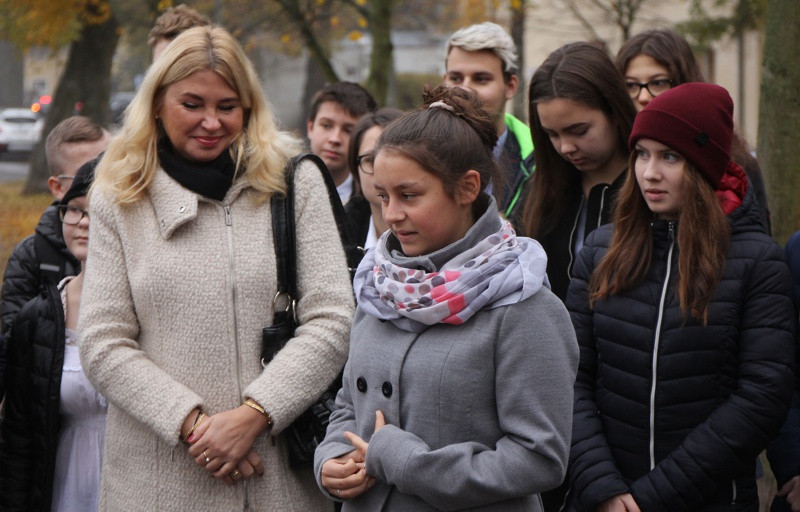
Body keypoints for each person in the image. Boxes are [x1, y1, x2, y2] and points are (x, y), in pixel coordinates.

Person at [78, 26, 354, 511]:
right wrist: (197, 427)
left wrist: (256, 415)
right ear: (158, 103)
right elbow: (103, 341)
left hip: (277, 483)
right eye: (192, 104)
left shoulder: (294, 182)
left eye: (227, 106)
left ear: (248, 108)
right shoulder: (117, 193)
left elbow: (332, 317)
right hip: (157, 483)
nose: (211, 122)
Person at [314, 85, 579, 511]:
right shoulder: (379, 285)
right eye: (383, 196)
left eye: (409, 195)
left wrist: (409, 462)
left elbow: (540, 459)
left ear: (468, 188)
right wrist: (330, 460)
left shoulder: (523, 305)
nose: (392, 214)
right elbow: (351, 401)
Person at [566, 82, 795, 512]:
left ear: (704, 164)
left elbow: (762, 396)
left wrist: (651, 498)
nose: (650, 172)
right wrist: (603, 487)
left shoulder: (756, 261)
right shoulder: (600, 251)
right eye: (642, 153)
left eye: (669, 156)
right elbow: (569, 374)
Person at [0, 158, 107, 512]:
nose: (83, 223)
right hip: (65, 485)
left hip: (136, 480)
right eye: (73, 211)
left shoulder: (153, 307)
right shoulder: (38, 317)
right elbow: (19, 437)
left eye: (96, 210)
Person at [616, 28, 771, 233]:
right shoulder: (612, 153)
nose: (643, 96)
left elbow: (755, 243)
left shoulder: (734, 161)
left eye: (658, 82)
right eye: (631, 85)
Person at [519, 42, 637, 302]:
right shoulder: (539, 191)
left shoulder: (651, 187)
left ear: (614, 112)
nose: (565, 147)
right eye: (552, 134)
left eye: (579, 130)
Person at [1, 116, 109, 337]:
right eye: (86, 174)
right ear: (58, 187)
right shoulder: (31, 257)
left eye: (108, 169)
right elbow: (15, 346)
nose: (101, 181)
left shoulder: (133, 244)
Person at [444, 21, 534, 224]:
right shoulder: (420, 152)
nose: (465, 90)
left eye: (481, 79)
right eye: (456, 78)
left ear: (510, 86)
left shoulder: (539, 160)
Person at [343, 107, 404, 252]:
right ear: (355, 170)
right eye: (371, 160)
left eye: (392, 159)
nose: (381, 170)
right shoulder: (336, 238)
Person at [307, 82, 377, 204]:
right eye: (326, 125)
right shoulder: (281, 190)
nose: (335, 139)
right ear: (310, 128)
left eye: (348, 130)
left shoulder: (374, 200)